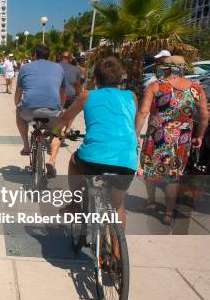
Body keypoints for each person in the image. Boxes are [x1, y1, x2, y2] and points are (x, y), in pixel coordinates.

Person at [53, 57, 138, 226]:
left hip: (93, 158)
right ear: (121, 78)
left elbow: (65, 118)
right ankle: (118, 251)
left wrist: (55, 133)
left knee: (73, 161)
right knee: (118, 206)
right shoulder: (131, 97)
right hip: (126, 159)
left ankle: (75, 204)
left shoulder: (87, 95)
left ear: (96, 79)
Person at [136, 55, 208, 225]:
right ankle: (168, 213)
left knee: (151, 167)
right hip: (182, 139)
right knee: (173, 174)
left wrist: (135, 134)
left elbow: (143, 112)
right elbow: (204, 115)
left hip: (157, 136)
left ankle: (151, 201)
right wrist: (199, 135)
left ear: (166, 69)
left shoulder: (156, 86)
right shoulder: (196, 88)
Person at [15, 45, 66, 170]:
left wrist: (17, 105)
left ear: (35, 55)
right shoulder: (59, 68)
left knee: (19, 115)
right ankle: (52, 161)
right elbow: (63, 92)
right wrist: (61, 108)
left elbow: (18, 92)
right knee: (57, 131)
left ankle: (26, 146)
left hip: (28, 108)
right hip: (53, 109)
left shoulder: (25, 68)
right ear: (48, 56)